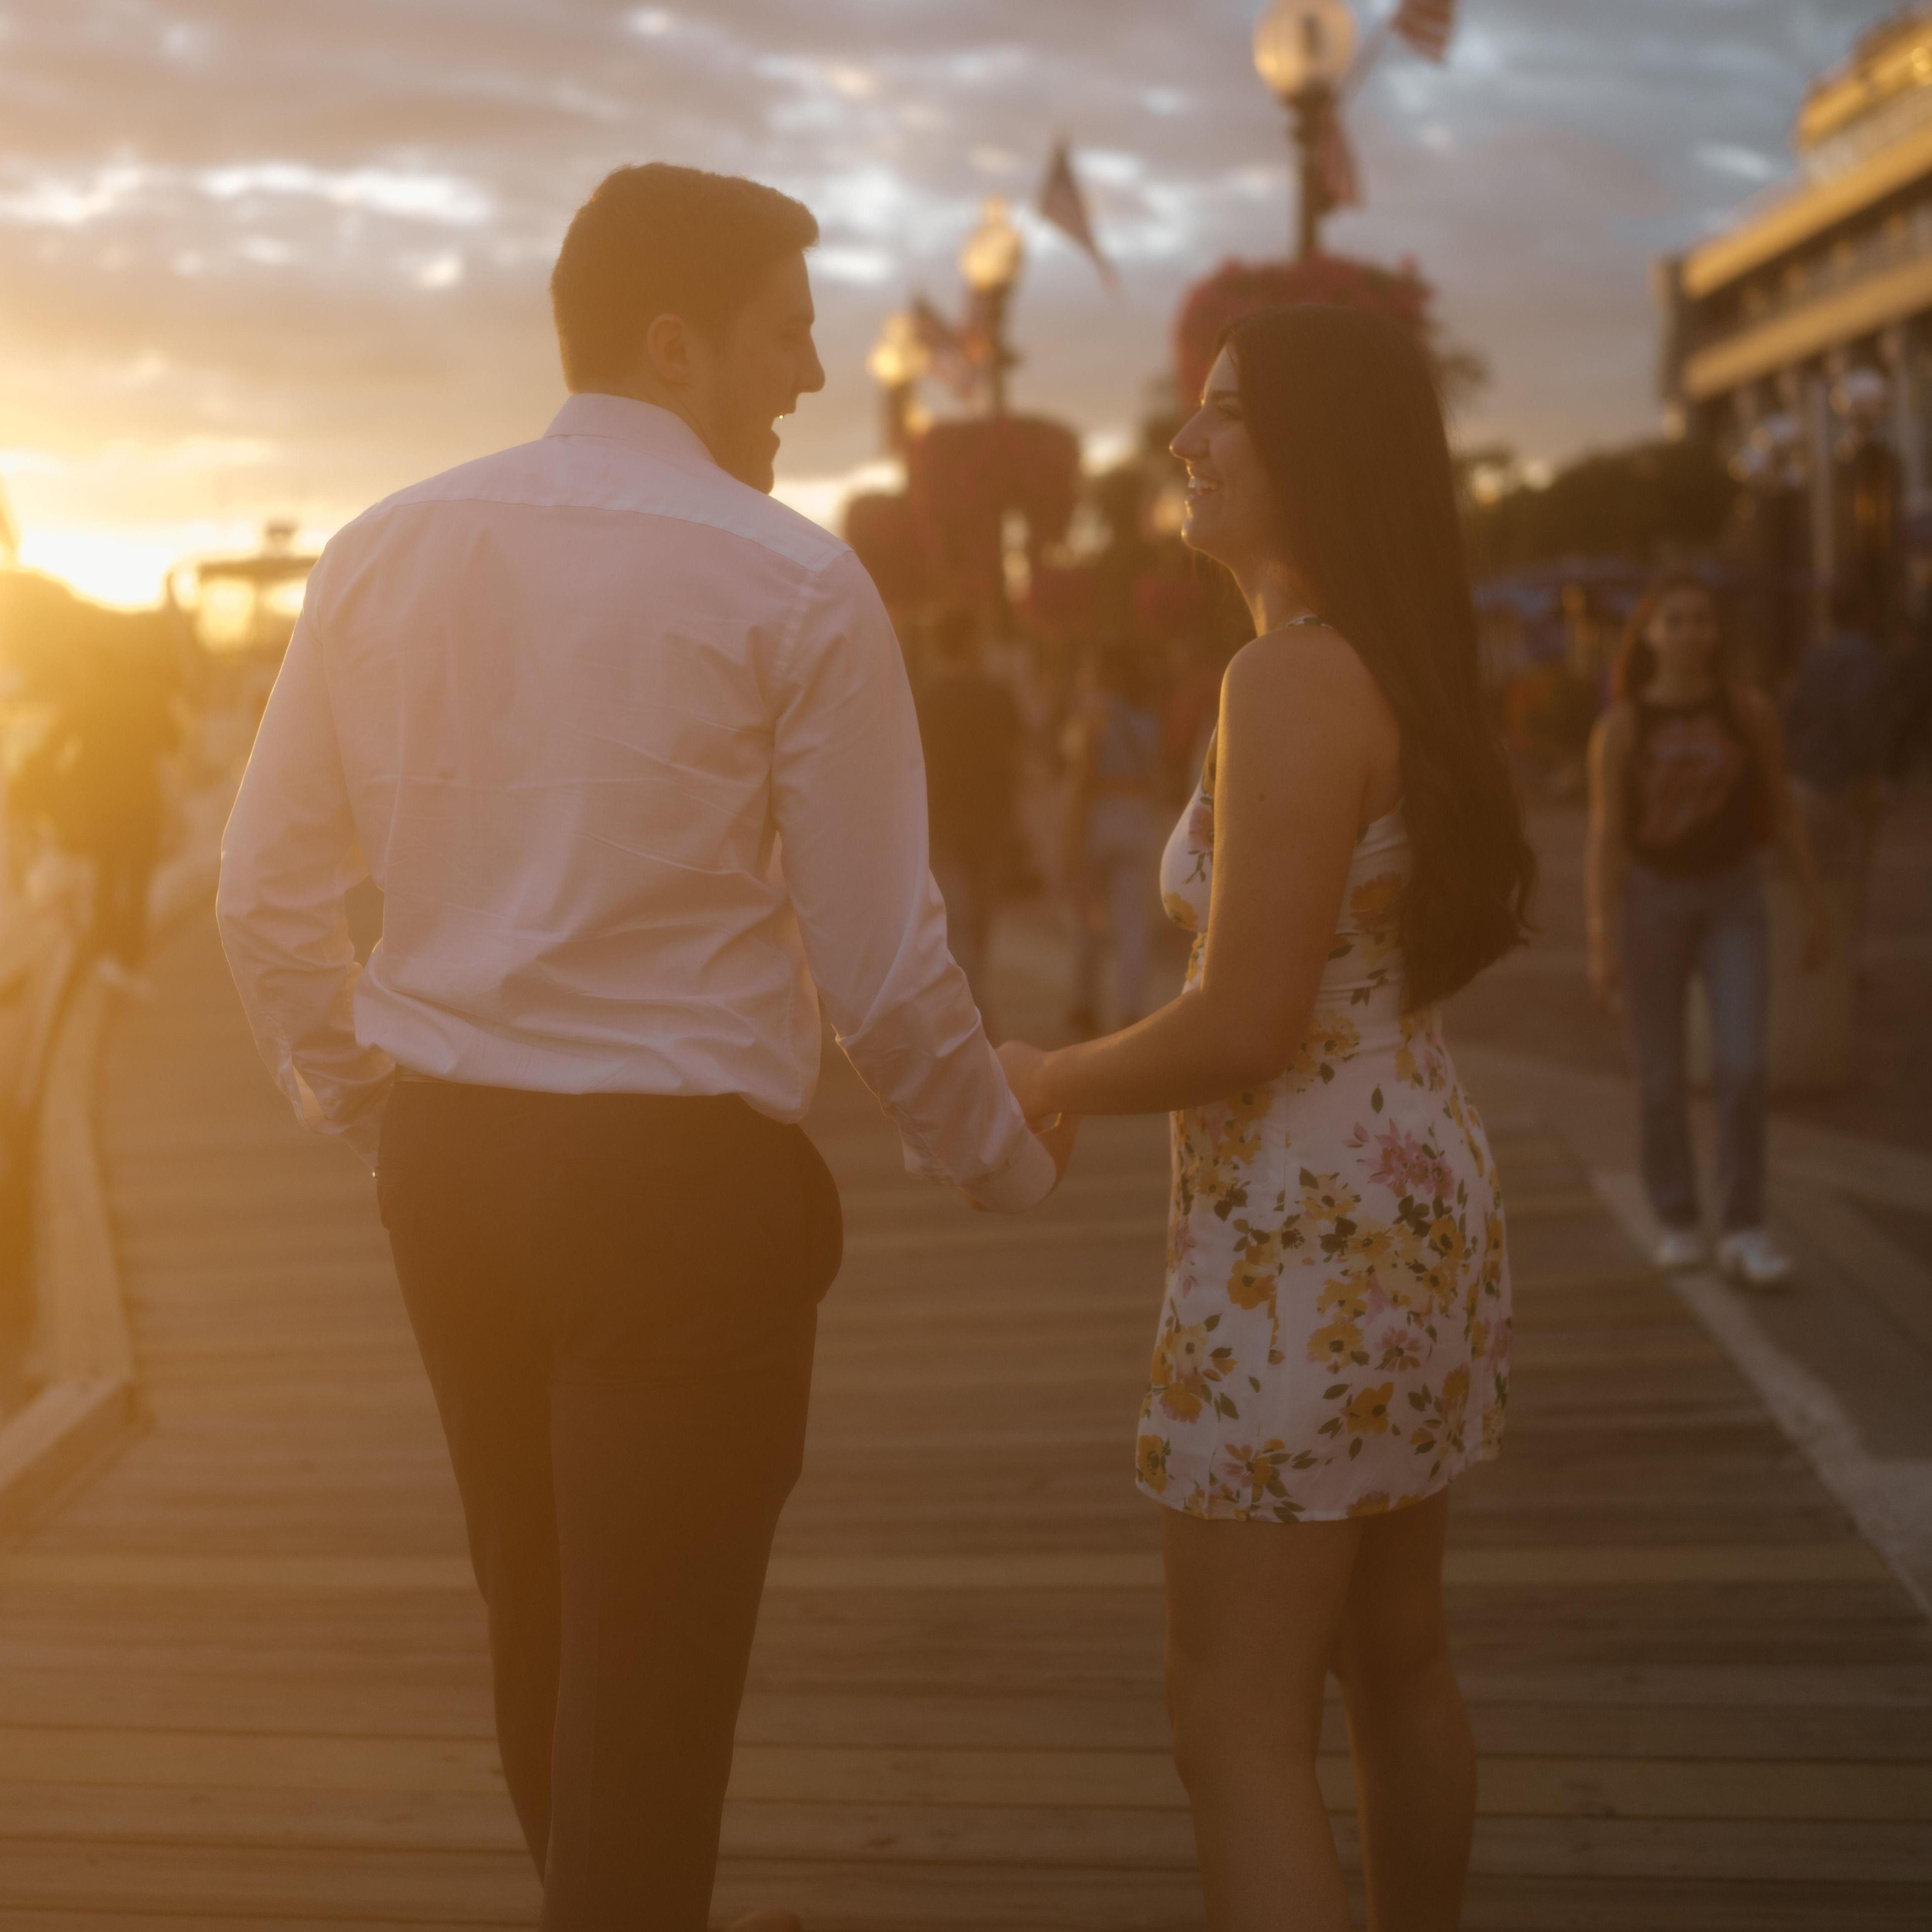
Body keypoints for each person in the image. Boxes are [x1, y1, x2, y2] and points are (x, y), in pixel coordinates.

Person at [217, 162, 1075, 1932]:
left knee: (538, 1636)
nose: (813, 377)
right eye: (788, 335)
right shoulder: (790, 581)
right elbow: (878, 949)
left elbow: (262, 889)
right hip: (676, 1199)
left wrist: (360, 1091)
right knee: (651, 1707)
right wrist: (994, 1148)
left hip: (449, 1170)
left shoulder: (387, 546)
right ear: (675, 344)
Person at [999, 306, 1535, 1932]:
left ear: (1318, 453)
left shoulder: (1289, 680)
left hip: (1301, 1244)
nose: (1187, 442)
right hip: (1410, 1207)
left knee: (1232, 1715)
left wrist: (1053, 1075)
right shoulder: (1389, 664)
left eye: (1226, 414)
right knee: (1398, 1661)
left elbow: (1249, 1019)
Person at [1585, 575, 1829, 1290]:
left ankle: (1744, 1226)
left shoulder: (1745, 710)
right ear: (1651, 633)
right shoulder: (1624, 724)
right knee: (1660, 1075)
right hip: (1650, 900)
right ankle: (1677, 1218)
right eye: (1676, 620)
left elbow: (1781, 808)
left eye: (1701, 620)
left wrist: (1814, 905)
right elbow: (1606, 835)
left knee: (1742, 1066)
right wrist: (1600, 936)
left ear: (1715, 633)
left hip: (1733, 898)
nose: (1691, 632)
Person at [914, 605, 1023, 1021]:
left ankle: (968, 1007)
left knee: (956, 917)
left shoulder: (925, 698)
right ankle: (974, 1006)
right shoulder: (997, 694)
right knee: (980, 917)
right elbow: (1015, 757)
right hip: (990, 819)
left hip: (942, 820)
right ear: (973, 642)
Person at [1064, 640, 1163, 1035]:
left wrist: (1070, 835)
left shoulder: (1092, 714)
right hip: (1136, 818)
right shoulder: (1146, 717)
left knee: (1087, 917)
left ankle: (1084, 1005)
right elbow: (1156, 774)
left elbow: (1081, 779)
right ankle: (1130, 1009)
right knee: (1131, 923)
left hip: (1099, 819)